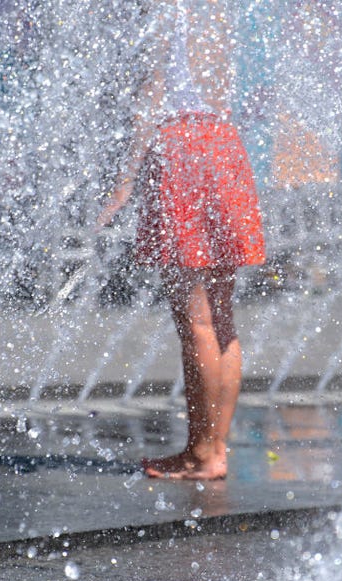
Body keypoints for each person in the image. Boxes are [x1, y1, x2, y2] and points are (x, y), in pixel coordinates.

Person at [96, 0, 265, 480]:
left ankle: (201, 453)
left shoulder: (169, 10)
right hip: (224, 146)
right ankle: (215, 448)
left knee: (196, 319)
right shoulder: (222, 10)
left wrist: (125, 178)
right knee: (221, 314)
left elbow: (154, 92)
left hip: (182, 153)